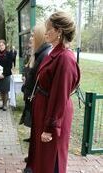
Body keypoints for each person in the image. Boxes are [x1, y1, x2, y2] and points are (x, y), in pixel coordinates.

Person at [26, 11, 80, 173]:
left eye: (49, 29)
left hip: (52, 114)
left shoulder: (65, 58)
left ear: (59, 31)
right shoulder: (56, 53)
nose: (46, 32)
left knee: (51, 160)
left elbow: (59, 96)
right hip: (45, 110)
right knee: (43, 159)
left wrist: (50, 128)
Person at [19, 23, 51, 171]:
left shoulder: (45, 54)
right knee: (34, 131)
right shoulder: (39, 53)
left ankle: (34, 164)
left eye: (33, 35)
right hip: (33, 97)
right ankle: (32, 161)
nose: (31, 38)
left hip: (37, 99)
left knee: (38, 133)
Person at [0, 40, 14, 111]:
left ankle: (5, 105)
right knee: (1, 90)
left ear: (5, 46)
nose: (1, 47)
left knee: (5, 90)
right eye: (0, 45)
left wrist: (4, 74)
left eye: (2, 45)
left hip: (6, 75)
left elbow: (9, 65)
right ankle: (3, 104)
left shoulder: (9, 54)